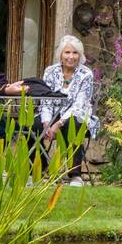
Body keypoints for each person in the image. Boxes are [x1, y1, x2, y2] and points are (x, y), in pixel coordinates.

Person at [40, 35, 100, 185]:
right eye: (67, 52)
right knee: (33, 125)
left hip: (77, 114)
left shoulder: (85, 74)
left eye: (75, 53)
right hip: (52, 115)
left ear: (80, 55)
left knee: (73, 124)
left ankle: (75, 174)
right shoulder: (50, 71)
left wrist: (58, 124)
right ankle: (37, 168)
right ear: (60, 54)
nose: (71, 57)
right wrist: (46, 122)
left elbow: (79, 105)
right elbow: (46, 99)